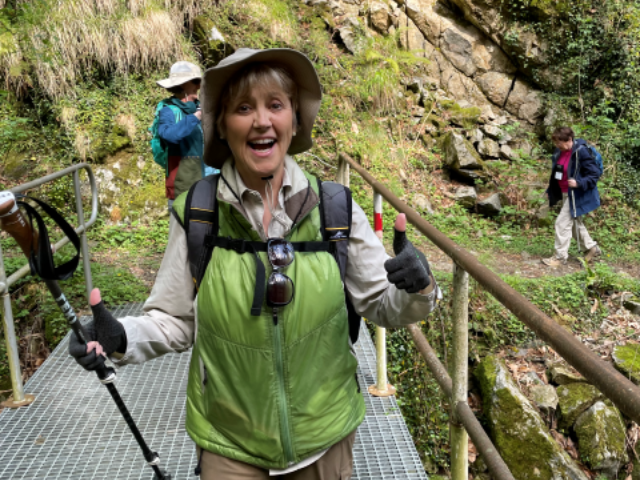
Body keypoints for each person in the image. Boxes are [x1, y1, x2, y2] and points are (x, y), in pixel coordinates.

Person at [69, 48, 441, 480]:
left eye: (276, 105)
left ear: (295, 121)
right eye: (244, 108)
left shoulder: (334, 209)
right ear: (223, 127)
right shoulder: (198, 213)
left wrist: (417, 288)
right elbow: (174, 320)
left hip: (325, 442)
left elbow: (382, 304)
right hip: (230, 448)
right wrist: (121, 337)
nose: (261, 120)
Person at [154, 61, 219, 211]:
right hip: (183, 184)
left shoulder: (202, 107)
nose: (199, 86)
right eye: (196, 81)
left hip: (210, 182)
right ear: (183, 85)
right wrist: (196, 117)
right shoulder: (168, 110)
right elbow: (169, 135)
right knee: (183, 230)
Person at [542, 127, 601, 266]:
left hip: (576, 194)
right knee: (574, 224)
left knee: (562, 223)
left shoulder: (581, 152)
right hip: (564, 192)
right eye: (556, 142)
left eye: (559, 142)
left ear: (569, 140)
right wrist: (551, 189)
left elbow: (594, 174)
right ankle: (592, 248)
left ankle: (559, 258)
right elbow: (558, 171)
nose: (557, 145)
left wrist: (578, 182)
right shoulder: (559, 151)